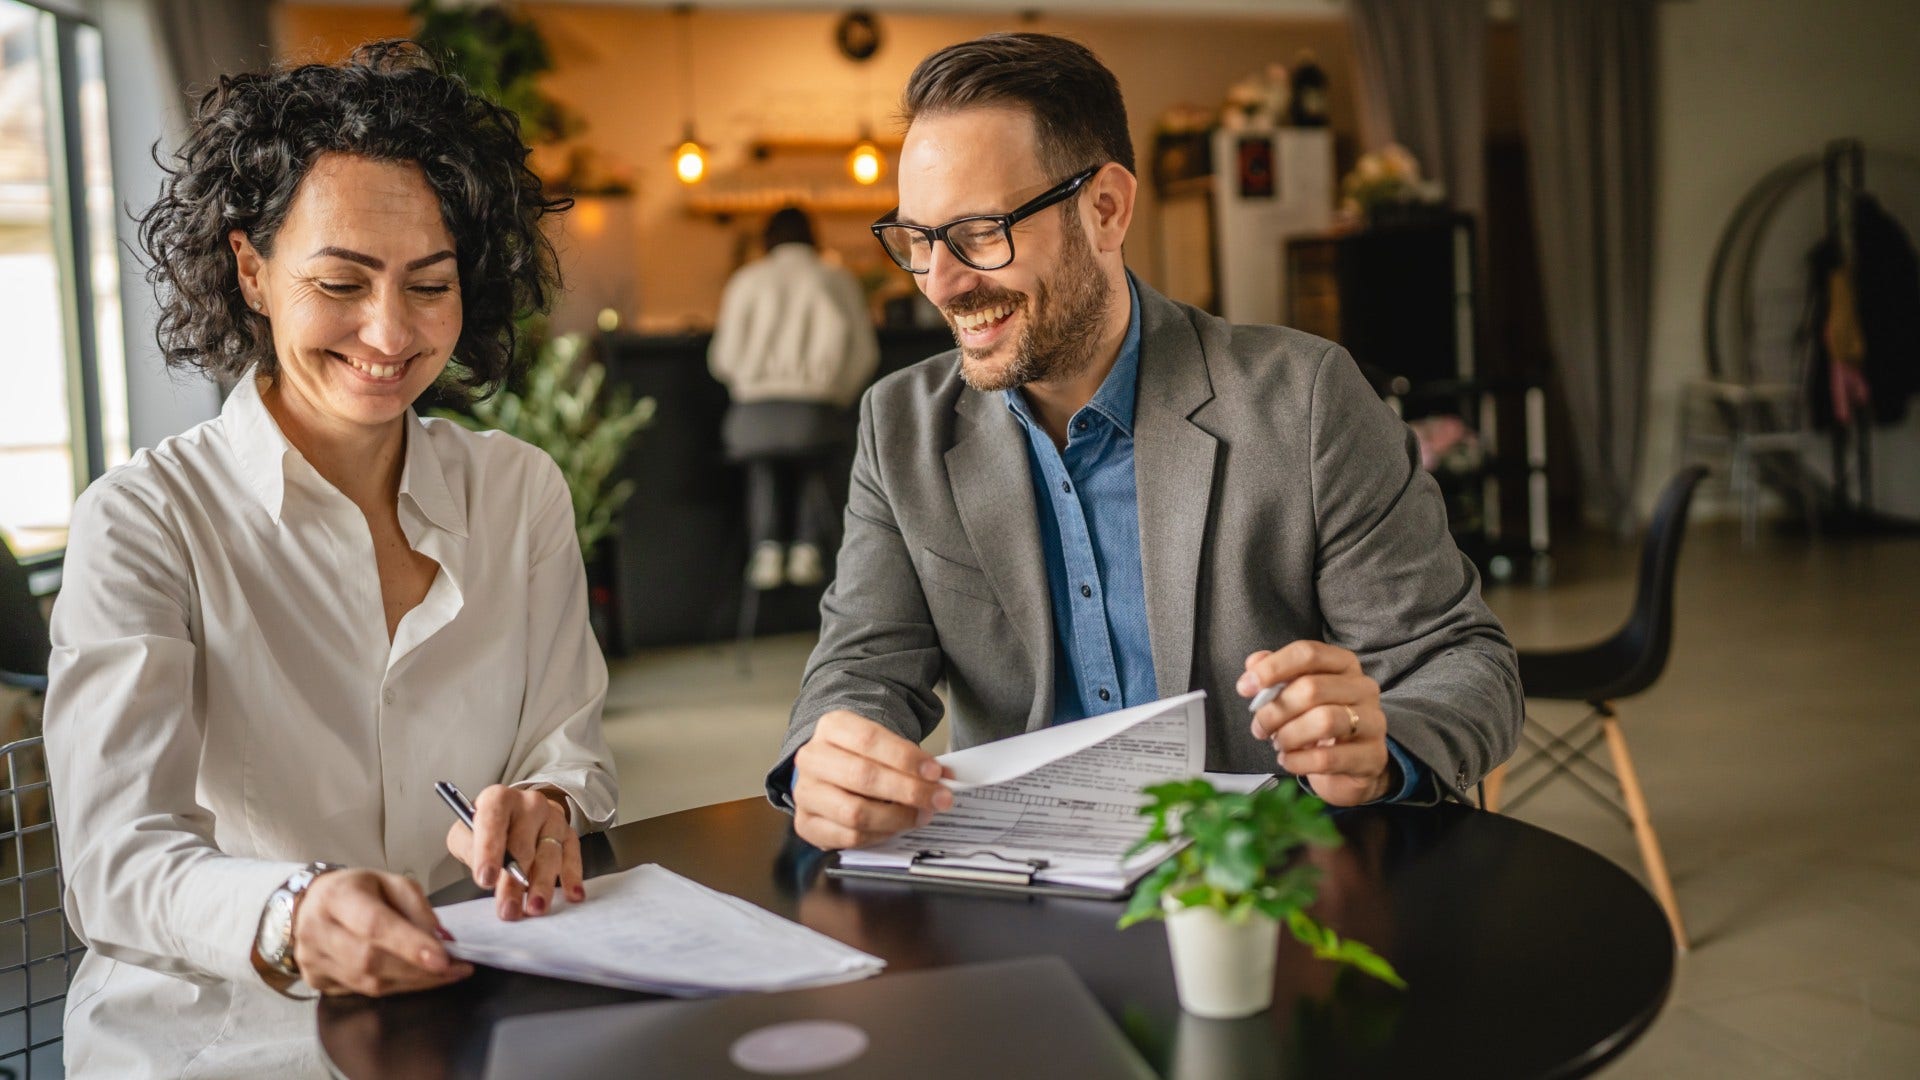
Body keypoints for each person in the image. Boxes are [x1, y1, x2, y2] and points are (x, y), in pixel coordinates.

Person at [768, 33, 1523, 851]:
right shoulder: (900, 425)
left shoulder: (1304, 399)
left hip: (1262, 898)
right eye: (918, 241)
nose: (941, 285)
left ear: (1106, 209)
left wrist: (1385, 747)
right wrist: (826, 755)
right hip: (1021, 894)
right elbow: (862, 666)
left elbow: (1464, 665)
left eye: (980, 233)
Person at [43, 42, 617, 1076]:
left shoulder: (516, 490)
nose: (389, 332)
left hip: (458, 1007)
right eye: (341, 282)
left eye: (428, 285)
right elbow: (112, 866)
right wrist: (291, 913)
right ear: (252, 271)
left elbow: (567, 747)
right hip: (216, 1039)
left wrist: (549, 803)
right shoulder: (143, 520)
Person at [708, 206, 879, 589]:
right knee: (812, 449)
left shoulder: (746, 281)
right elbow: (865, 355)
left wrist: (752, 384)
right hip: (815, 415)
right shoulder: (836, 279)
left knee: (768, 456)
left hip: (751, 420)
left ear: (767, 237)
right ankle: (808, 546)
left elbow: (722, 360)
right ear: (812, 234)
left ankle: (766, 547)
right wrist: (834, 394)